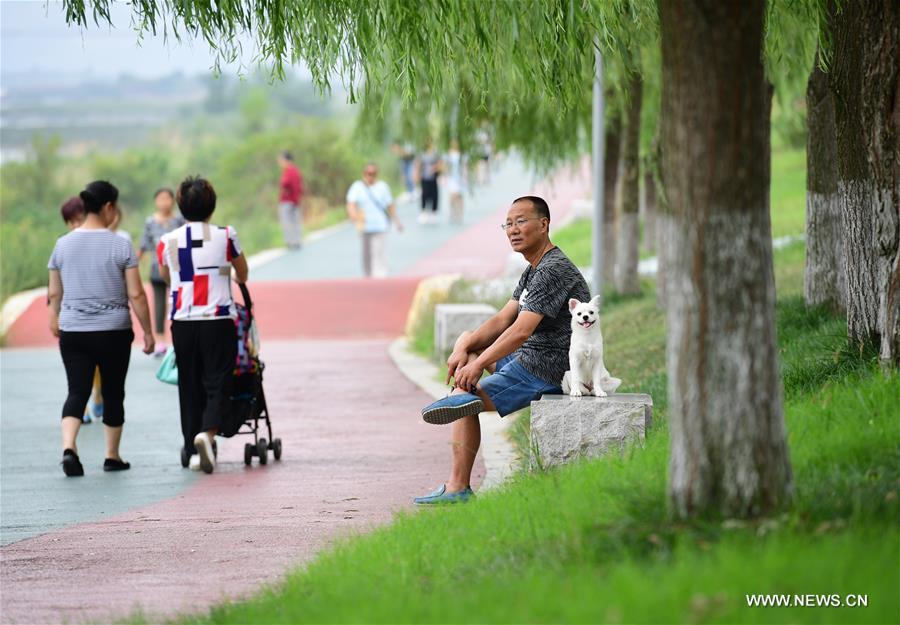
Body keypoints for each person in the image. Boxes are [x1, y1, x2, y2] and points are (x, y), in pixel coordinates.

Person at [415, 196, 590, 504]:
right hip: (531, 356)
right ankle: (463, 381)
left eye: (521, 221)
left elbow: (521, 331)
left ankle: (458, 489)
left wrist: (477, 364)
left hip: (546, 367)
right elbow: (502, 319)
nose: (513, 230)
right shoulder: (534, 268)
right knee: (470, 346)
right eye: (508, 224)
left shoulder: (553, 270)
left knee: (463, 400)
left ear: (544, 224)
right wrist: (464, 348)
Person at [48, 181, 155, 477]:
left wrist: (54, 318)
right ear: (109, 207)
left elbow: (55, 292)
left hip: (73, 331)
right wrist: (148, 331)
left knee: (77, 391)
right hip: (113, 332)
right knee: (112, 392)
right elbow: (136, 294)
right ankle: (112, 455)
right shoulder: (120, 244)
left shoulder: (63, 243)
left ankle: (69, 447)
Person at [158, 176, 249, 474]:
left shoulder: (167, 241)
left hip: (183, 320)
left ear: (181, 206)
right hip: (218, 319)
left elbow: (168, 277)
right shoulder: (226, 235)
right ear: (212, 205)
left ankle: (190, 447)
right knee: (218, 380)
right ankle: (207, 435)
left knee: (189, 383)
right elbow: (243, 274)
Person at [138, 188, 185, 355]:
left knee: (180, 302)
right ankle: (160, 341)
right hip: (157, 269)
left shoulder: (180, 220)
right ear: (156, 202)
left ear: (173, 201)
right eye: (161, 199)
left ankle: (179, 339)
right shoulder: (150, 221)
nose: (164, 202)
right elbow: (143, 243)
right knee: (159, 306)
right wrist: (135, 263)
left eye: (167, 198)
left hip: (178, 269)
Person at [346, 163, 404, 278]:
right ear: (364, 174)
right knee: (366, 255)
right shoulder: (357, 187)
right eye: (368, 173)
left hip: (380, 226)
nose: (370, 176)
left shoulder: (383, 187)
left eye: (373, 174)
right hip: (364, 225)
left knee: (377, 253)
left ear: (377, 174)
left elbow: (390, 205)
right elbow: (351, 203)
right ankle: (368, 277)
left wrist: (397, 222)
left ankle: (379, 278)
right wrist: (353, 215)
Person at [277, 151, 305, 250]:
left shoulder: (288, 172)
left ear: (286, 160)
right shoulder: (296, 171)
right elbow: (300, 186)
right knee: (296, 221)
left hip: (287, 201)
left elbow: (286, 184)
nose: (279, 163)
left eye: (280, 160)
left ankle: (290, 242)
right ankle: (297, 241)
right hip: (296, 201)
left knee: (287, 221)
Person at [416, 141, 442, 224]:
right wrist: (417, 174)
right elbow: (419, 165)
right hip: (425, 178)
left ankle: (433, 212)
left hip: (433, 178)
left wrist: (434, 168)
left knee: (434, 195)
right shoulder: (422, 155)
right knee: (424, 194)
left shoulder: (435, 155)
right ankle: (424, 211)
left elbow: (440, 165)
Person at [445, 139, 468, 224]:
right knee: (451, 196)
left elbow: (465, 166)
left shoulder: (462, 154)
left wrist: (465, 177)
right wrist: (445, 177)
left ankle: (460, 213)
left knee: (459, 196)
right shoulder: (448, 153)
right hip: (451, 178)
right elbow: (446, 165)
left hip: (460, 177)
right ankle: (452, 213)